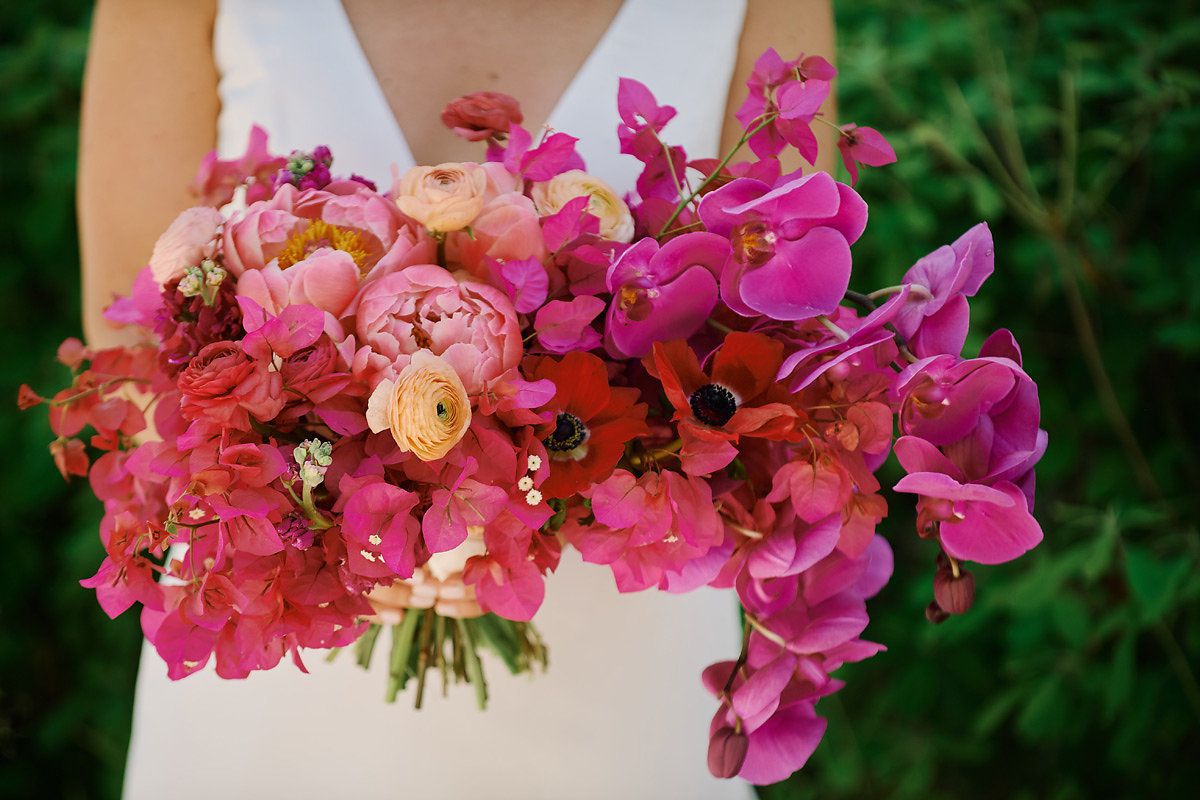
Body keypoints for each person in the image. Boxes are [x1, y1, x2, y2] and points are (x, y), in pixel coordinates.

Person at [79, 1, 836, 796]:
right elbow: (129, 345)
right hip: (278, 658)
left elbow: (785, 333)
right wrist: (337, 523)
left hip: (625, 666)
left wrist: (492, 522)